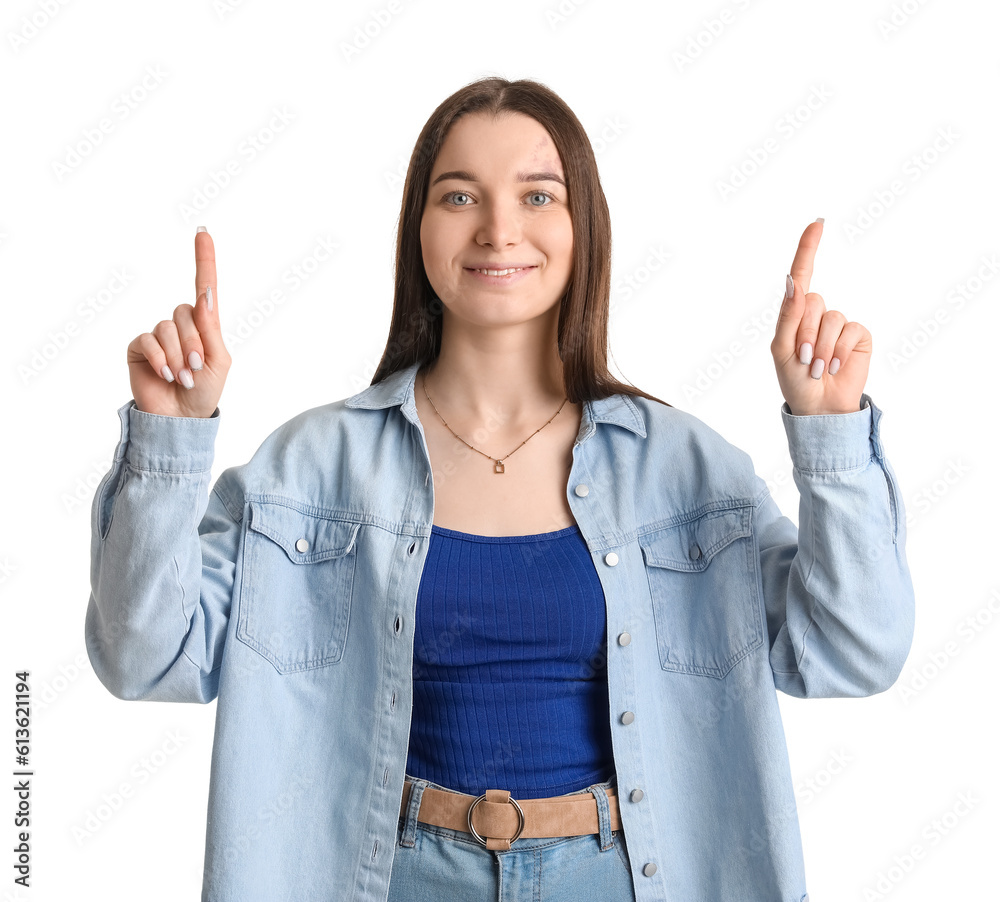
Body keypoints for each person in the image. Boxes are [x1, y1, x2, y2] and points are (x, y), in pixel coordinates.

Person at [86, 76, 915, 902]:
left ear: (582, 225)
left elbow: (853, 651)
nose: (498, 229)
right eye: (459, 195)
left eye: (537, 195)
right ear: (419, 228)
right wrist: (172, 438)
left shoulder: (688, 472)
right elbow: (145, 657)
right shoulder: (308, 469)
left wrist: (832, 439)